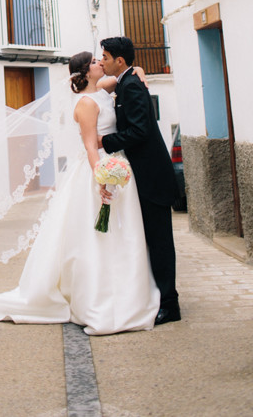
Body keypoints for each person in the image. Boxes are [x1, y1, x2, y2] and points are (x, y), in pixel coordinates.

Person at [0, 51, 160, 335]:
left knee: (124, 234)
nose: (101, 64)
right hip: (100, 168)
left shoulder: (102, 90)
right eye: (95, 62)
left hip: (117, 164)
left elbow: (122, 78)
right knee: (97, 238)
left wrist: (138, 70)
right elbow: (91, 146)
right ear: (85, 72)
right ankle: (100, 299)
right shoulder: (85, 104)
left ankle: (129, 292)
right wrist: (102, 178)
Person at [99, 36, 180, 326]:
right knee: (151, 241)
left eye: (105, 57)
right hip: (143, 176)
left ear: (119, 60)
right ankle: (159, 297)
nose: (103, 61)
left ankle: (170, 305)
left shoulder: (131, 85)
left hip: (152, 176)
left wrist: (104, 141)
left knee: (159, 243)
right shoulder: (126, 81)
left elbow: (140, 131)